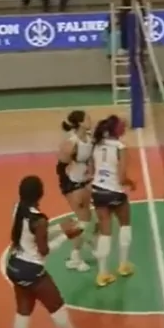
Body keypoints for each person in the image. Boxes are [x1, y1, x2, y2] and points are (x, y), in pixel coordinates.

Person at [7, 175, 102, 328]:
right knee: (56, 306)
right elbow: (44, 251)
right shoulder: (39, 220)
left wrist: (60, 227)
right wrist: (66, 236)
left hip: (15, 266)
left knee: (23, 311)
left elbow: (33, 234)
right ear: (40, 194)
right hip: (32, 270)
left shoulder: (18, 209)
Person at [90, 116, 135, 287]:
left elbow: (92, 171)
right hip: (114, 192)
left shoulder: (97, 145)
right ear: (117, 130)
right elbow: (122, 178)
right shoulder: (120, 147)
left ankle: (102, 274)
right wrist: (131, 183)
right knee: (125, 225)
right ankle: (123, 265)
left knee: (105, 232)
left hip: (97, 191)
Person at [57, 110, 94, 273]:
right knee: (83, 221)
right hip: (72, 184)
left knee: (86, 219)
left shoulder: (89, 139)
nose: (90, 120)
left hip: (85, 182)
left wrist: (90, 177)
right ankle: (75, 258)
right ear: (80, 123)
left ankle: (76, 252)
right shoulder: (71, 143)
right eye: (87, 119)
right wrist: (70, 190)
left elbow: (90, 159)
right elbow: (60, 168)